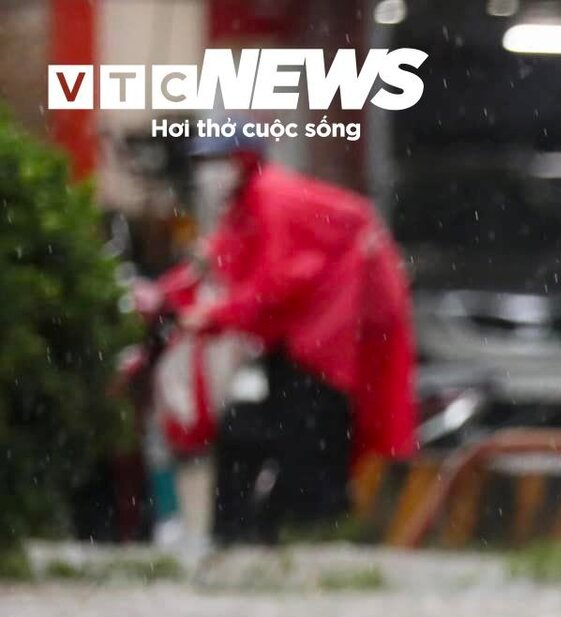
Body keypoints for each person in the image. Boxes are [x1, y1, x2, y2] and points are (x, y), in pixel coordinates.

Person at [159, 123, 415, 544]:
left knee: (308, 431)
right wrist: (169, 295)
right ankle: (272, 531)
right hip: (310, 330)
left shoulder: (270, 199)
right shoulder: (248, 203)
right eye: (203, 162)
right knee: (279, 428)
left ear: (242, 160)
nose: (210, 173)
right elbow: (219, 261)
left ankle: (305, 529)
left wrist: (214, 315)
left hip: (336, 326)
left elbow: (279, 282)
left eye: (217, 160)